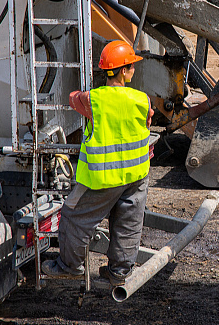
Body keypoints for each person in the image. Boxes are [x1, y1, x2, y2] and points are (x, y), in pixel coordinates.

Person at [42, 40, 154, 286]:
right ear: (123, 71)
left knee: (73, 216)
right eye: (131, 66)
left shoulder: (93, 100)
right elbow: (146, 124)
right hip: (137, 175)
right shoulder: (142, 100)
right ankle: (119, 272)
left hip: (102, 177)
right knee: (128, 223)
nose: (134, 70)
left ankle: (69, 266)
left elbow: (73, 99)